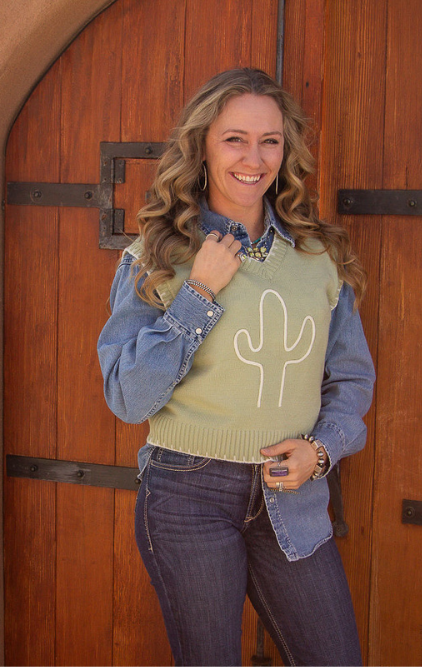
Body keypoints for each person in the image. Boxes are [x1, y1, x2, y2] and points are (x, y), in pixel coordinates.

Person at [97, 68, 373, 666]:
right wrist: (199, 293)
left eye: (270, 140)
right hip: (188, 493)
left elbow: (350, 378)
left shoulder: (318, 255)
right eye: (235, 139)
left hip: (291, 495)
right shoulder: (157, 257)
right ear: (202, 147)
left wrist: (323, 450)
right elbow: (126, 395)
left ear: (286, 149)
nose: (255, 158)